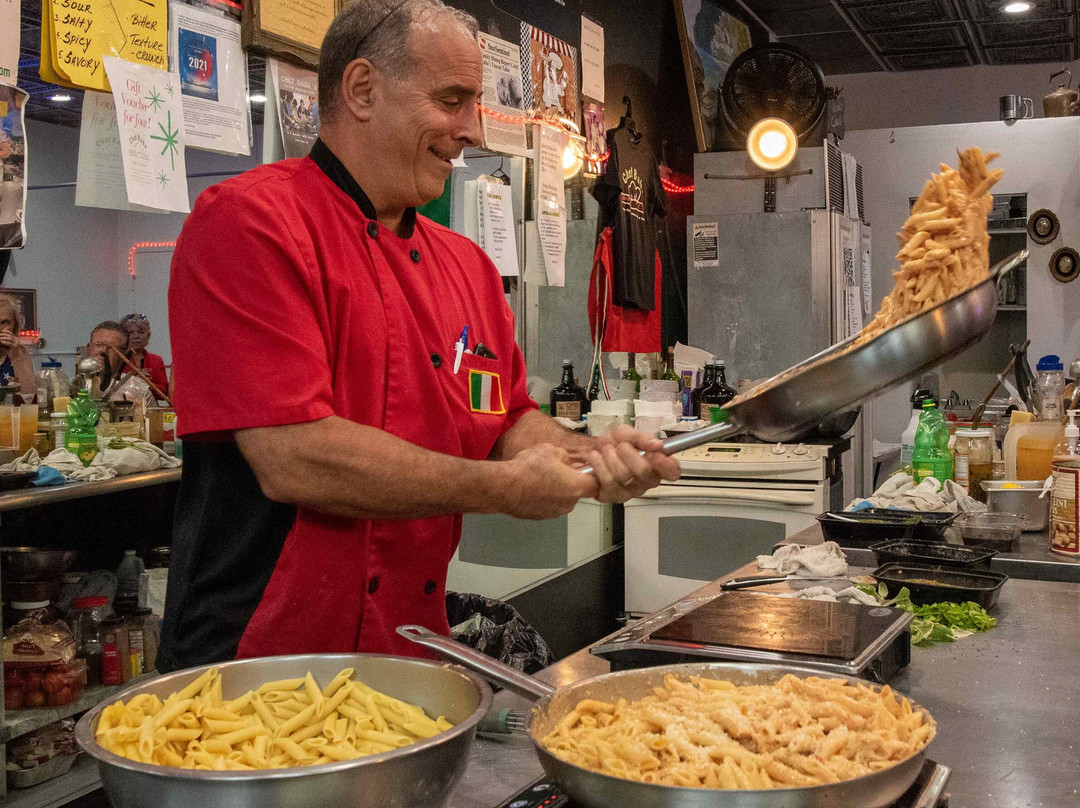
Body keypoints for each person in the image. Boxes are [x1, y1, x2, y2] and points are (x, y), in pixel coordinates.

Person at [160, 0, 680, 673]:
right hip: (257, 657)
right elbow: (294, 455)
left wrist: (590, 457)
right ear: (362, 89)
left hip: (407, 654)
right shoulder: (249, 223)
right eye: (452, 100)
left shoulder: (467, 266)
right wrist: (502, 488)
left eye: (475, 104)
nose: (472, 129)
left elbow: (505, 420)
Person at [120, 313, 169, 398]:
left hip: (149, 405)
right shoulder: (117, 359)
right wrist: (131, 381)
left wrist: (147, 384)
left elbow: (164, 391)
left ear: (148, 336)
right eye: (131, 332)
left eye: (141, 332)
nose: (136, 336)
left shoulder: (156, 360)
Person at [0, 295, 36, 393]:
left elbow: (30, 395)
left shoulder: (20, 352)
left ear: (15, 326)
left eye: (5, 322)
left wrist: (16, 357)